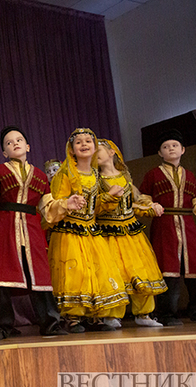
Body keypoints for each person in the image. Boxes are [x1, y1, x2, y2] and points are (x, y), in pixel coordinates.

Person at [0, 127, 70, 340]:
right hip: (6, 226)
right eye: (9, 143)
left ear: (27, 146)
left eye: (19, 140)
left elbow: (48, 208)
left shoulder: (39, 175)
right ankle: (1, 325)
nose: (15, 143)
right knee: (2, 277)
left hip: (32, 228)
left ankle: (50, 322)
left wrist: (67, 204)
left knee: (39, 276)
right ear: (5, 153)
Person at [48, 128, 129, 333]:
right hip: (70, 231)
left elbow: (96, 206)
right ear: (72, 149)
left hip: (91, 231)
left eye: (88, 141)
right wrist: (68, 203)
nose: (84, 145)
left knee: (97, 271)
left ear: (94, 147)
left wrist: (109, 196)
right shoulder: (65, 173)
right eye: (79, 142)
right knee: (76, 272)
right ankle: (73, 317)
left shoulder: (95, 174)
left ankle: (95, 316)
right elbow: (54, 201)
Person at [96, 139, 166, 328]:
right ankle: (112, 315)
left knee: (139, 269)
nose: (95, 153)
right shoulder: (96, 180)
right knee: (114, 272)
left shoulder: (125, 177)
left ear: (112, 153)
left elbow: (133, 204)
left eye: (99, 150)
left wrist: (151, 207)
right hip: (108, 232)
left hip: (131, 232)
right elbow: (95, 207)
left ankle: (143, 313)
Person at [139, 129, 196, 326]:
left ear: (183, 150)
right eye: (165, 146)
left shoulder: (190, 175)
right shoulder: (152, 174)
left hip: (189, 226)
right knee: (168, 270)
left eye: (174, 145)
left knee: (193, 269)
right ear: (159, 153)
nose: (170, 149)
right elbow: (143, 198)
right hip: (164, 226)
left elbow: (195, 199)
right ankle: (167, 314)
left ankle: (195, 309)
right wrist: (150, 206)